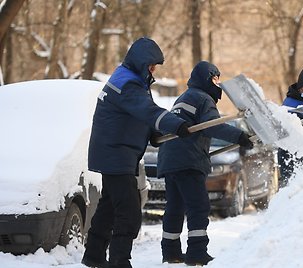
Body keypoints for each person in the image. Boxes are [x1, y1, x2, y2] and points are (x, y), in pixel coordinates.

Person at [82, 37, 191, 268]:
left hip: (115, 154)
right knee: (129, 211)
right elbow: (147, 110)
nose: (153, 70)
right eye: (152, 65)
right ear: (142, 62)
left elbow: (138, 116)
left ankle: (93, 257)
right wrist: (175, 124)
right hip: (115, 155)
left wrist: (155, 134)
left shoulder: (132, 80)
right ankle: (120, 261)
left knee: (110, 206)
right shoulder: (128, 84)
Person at [156, 61, 253, 266]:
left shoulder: (184, 97)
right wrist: (239, 136)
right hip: (187, 160)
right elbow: (213, 127)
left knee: (175, 206)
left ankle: (171, 252)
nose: (218, 84)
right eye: (215, 78)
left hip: (170, 158)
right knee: (198, 206)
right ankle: (197, 253)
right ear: (207, 78)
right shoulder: (203, 98)